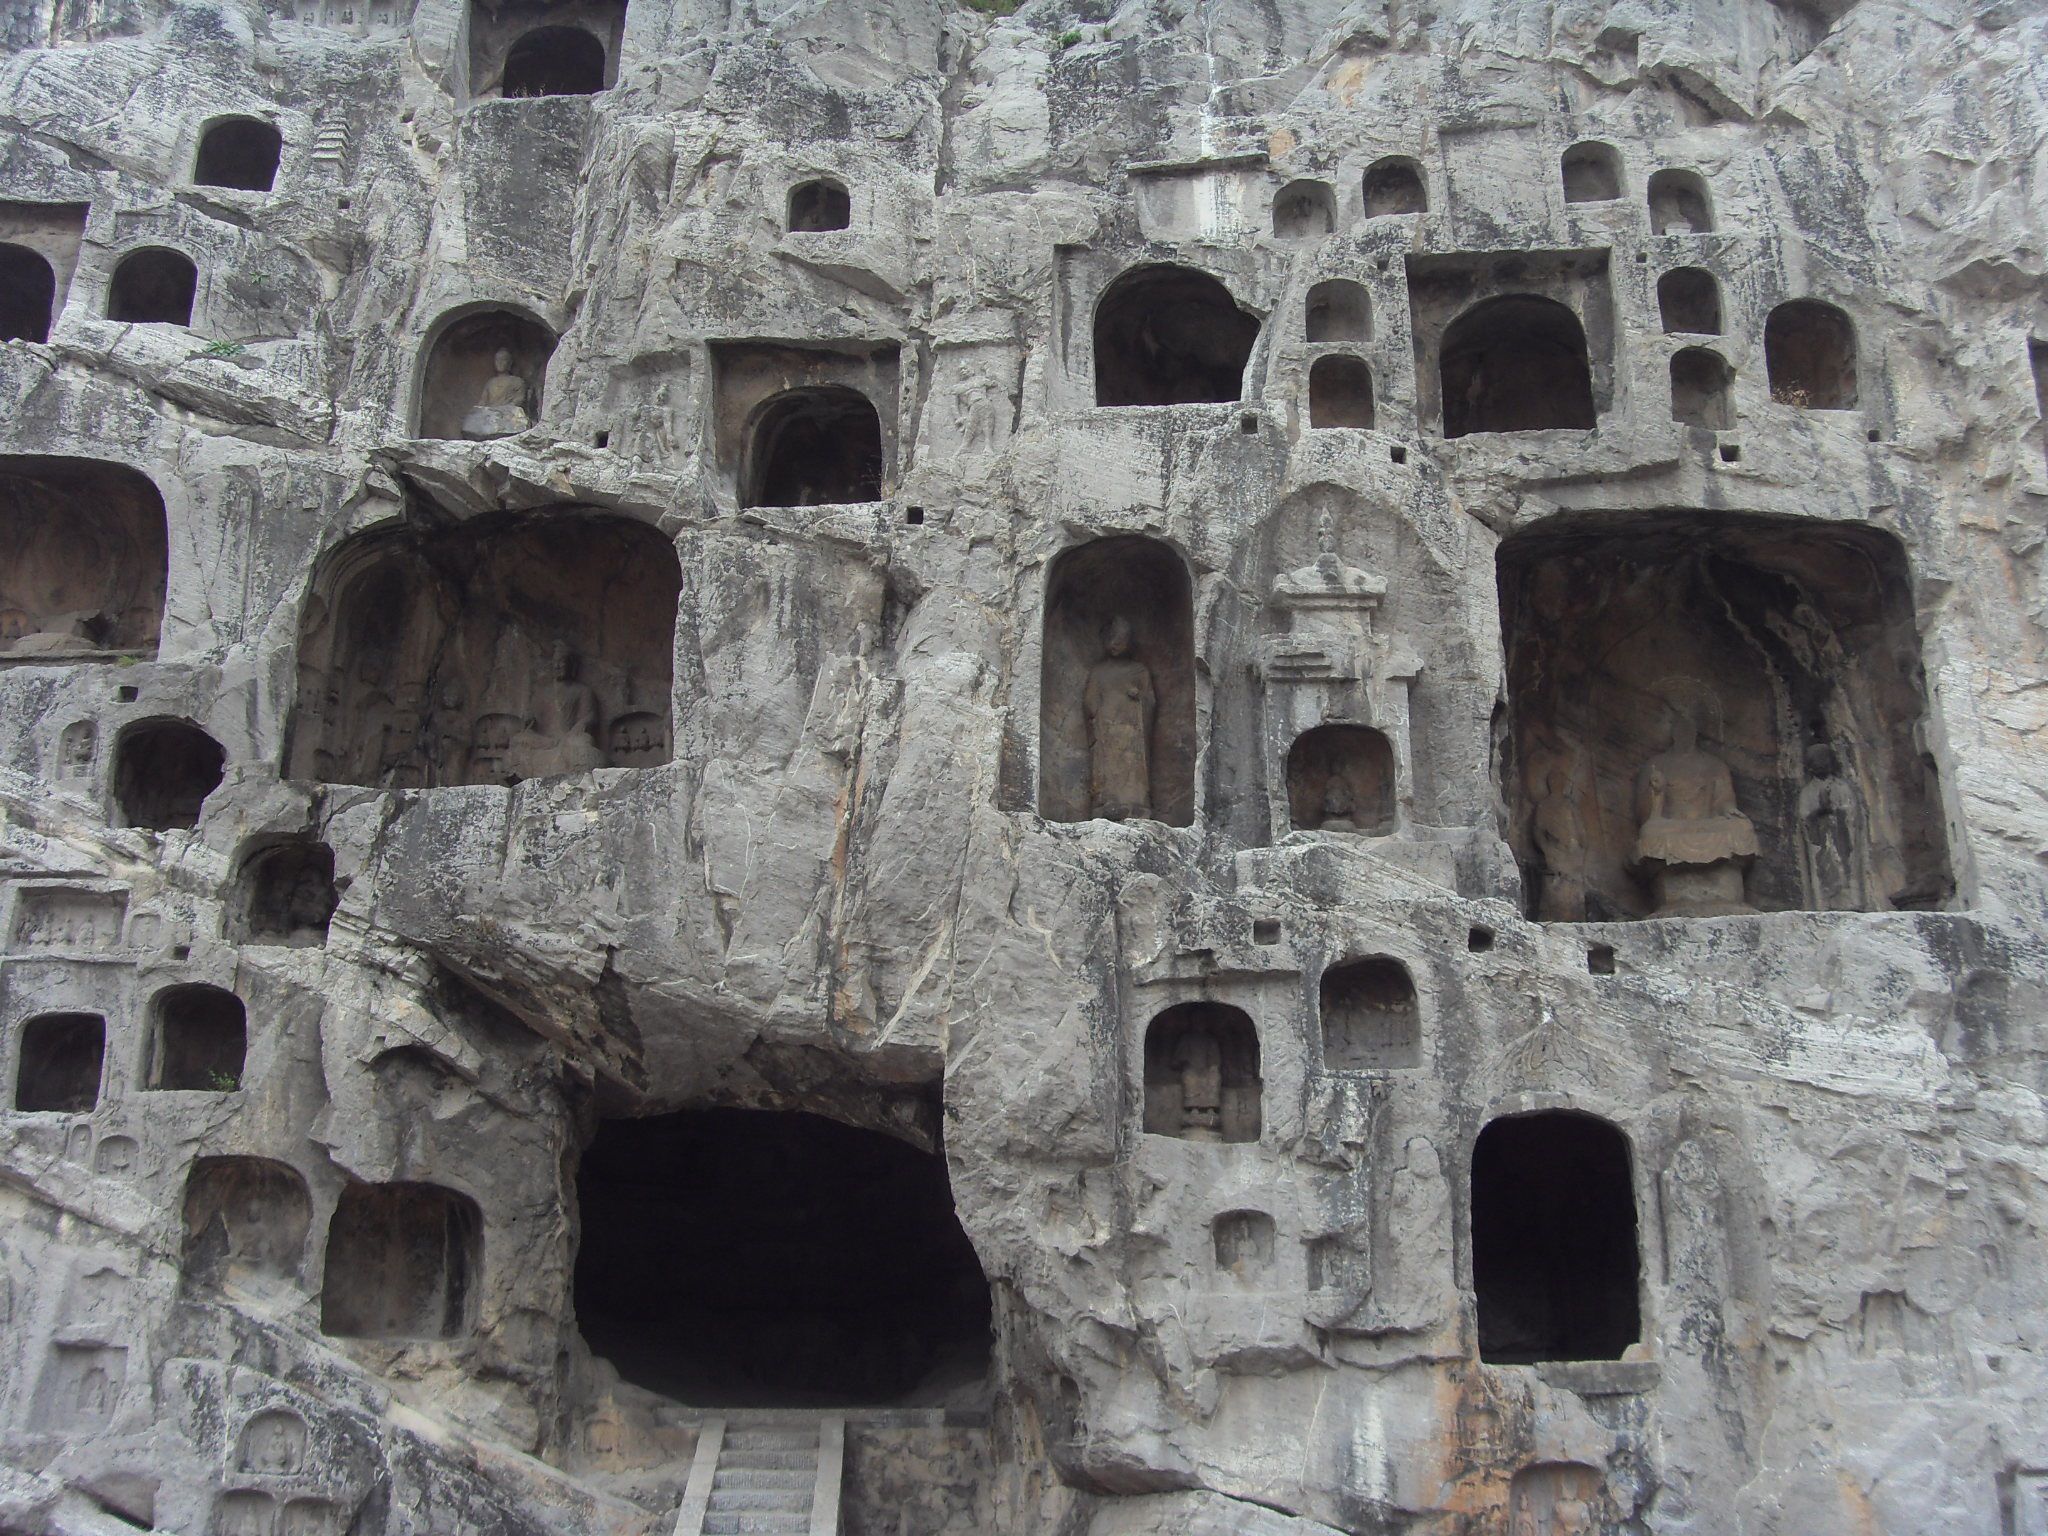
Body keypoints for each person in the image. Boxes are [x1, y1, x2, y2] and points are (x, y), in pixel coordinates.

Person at [1082, 617, 1155, 820]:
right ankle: (1105, 803)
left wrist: (1138, 697)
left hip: (1132, 733)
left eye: (1120, 639)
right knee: (1106, 768)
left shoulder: (1139, 671)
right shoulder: (1099, 672)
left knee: (1132, 769)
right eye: (1112, 638)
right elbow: (1089, 702)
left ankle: (1137, 803)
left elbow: (1150, 702)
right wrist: (1098, 717)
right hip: (1106, 731)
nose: (1115, 643)